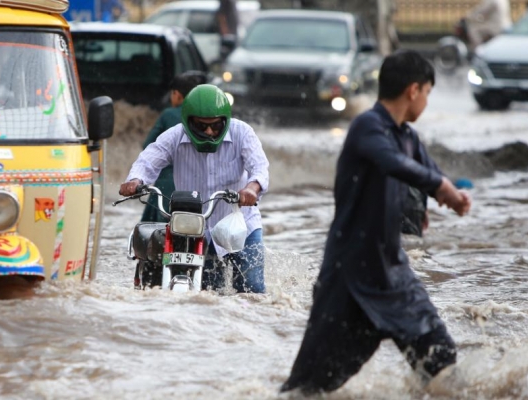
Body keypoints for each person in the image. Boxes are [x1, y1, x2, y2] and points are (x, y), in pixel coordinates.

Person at [280, 50, 472, 395]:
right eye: (427, 93)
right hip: (348, 277)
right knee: (309, 387)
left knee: (440, 357)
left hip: (392, 274)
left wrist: (441, 194)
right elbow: (391, 163)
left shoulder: (408, 137)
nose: (426, 101)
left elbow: (425, 172)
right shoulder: (368, 126)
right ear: (413, 90)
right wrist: (441, 187)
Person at [119, 84, 270, 294]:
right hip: (195, 231)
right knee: (207, 293)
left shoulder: (242, 133)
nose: (209, 131)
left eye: (216, 126)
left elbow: (260, 167)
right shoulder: (174, 136)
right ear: (188, 122)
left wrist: (252, 188)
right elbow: (147, 161)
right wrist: (135, 180)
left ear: (225, 121)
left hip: (241, 226)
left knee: (252, 290)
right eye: (202, 126)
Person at [140, 70, 209, 223]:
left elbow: (148, 146)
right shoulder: (207, 117)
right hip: (199, 187)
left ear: (177, 94)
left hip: (167, 185)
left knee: (157, 232)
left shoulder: (168, 114)